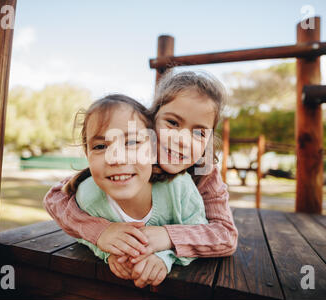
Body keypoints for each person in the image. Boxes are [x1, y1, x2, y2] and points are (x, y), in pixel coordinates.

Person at [44, 71, 239, 288]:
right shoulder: (129, 160)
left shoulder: (205, 172)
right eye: (173, 123)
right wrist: (101, 232)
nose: (183, 140)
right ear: (150, 122)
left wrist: (167, 237)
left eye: (199, 133)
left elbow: (225, 235)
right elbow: (56, 197)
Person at [60, 94, 208, 288]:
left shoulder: (179, 188)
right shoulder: (87, 196)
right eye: (100, 146)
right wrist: (107, 250)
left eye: (131, 142)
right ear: (87, 155)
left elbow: (201, 234)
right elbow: (80, 234)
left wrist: (165, 256)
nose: (116, 158)